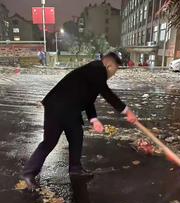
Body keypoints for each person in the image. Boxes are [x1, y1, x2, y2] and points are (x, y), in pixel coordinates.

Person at [22, 52, 139, 189]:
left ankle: (75, 169)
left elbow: (88, 99)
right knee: (49, 142)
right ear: (109, 65)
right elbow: (107, 94)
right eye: (115, 69)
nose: (114, 74)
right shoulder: (97, 70)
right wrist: (126, 111)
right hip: (58, 107)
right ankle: (29, 174)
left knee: (76, 135)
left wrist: (94, 120)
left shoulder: (93, 73)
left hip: (70, 109)